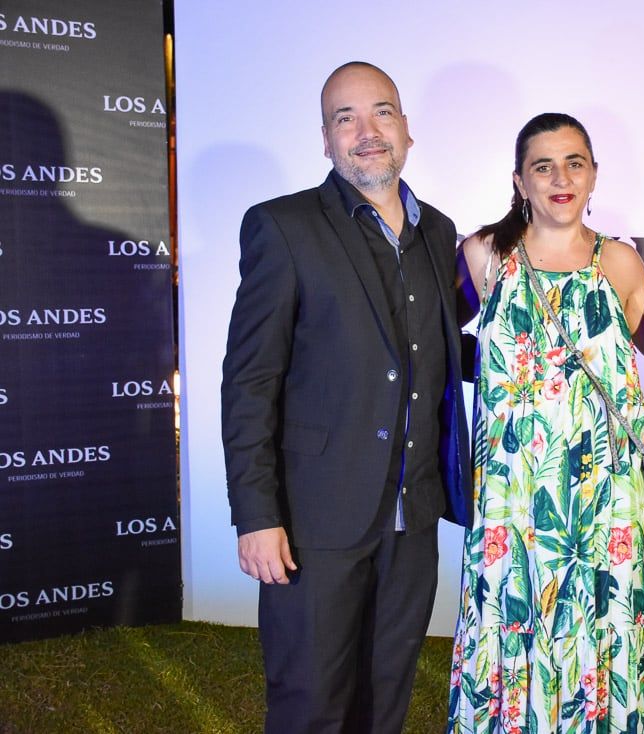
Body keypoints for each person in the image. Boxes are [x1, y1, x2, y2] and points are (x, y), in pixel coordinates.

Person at [221, 61, 471, 733]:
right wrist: (256, 515)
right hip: (315, 521)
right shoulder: (283, 227)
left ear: (406, 129)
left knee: (385, 703)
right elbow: (249, 381)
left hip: (413, 518)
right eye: (345, 118)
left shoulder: (438, 231)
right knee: (310, 706)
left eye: (381, 112)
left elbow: (426, 353)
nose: (367, 132)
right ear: (326, 139)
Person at [448, 113, 644, 732]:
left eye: (574, 163)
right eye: (543, 166)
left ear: (593, 175)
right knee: (510, 613)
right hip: (512, 492)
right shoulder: (486, 257)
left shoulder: (619, 262)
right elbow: (428, 344)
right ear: (520, 180)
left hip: (604, 494)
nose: (561, 179)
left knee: (603, 620)